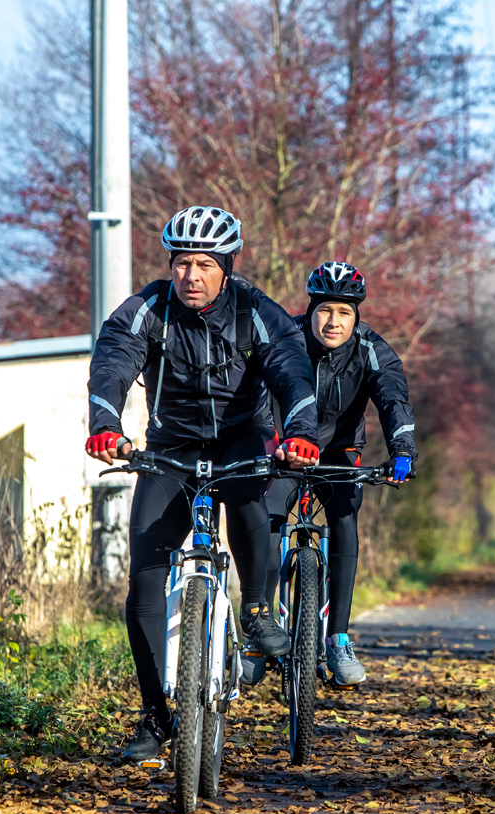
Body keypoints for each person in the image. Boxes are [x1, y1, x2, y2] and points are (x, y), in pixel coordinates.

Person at [86, 205, 321, 763]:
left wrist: (301, 433)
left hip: (241, 438)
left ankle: (259, 611)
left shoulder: (254, 310)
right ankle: (153, 718)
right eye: (182, 264)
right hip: (170, 446)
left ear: (227, 266)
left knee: (247, 497)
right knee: (142, 584)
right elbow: (112, 361)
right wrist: (105, 425)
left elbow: (292, 370)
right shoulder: (147, 309)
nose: (191, 276)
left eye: (204, 265)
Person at [260, 261, 416, 688]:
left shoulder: (371, 348)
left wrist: (402, 450)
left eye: (344, 312)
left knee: (345, 519)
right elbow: (253, 393)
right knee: (268, 516)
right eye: (325, 310)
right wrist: (270, 444)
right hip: (286, 448)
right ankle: (262, 628)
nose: (334, 321)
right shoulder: (284, 339)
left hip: (340, 451)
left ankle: (339, 639)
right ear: (310, 311)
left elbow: (393, 401)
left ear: (357, 316)